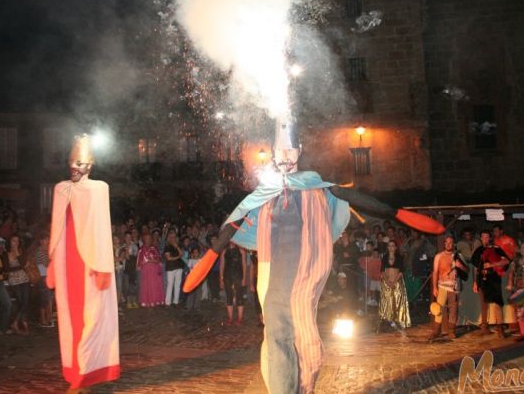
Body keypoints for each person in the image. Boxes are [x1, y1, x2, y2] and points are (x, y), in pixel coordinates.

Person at [183, 119, 444, 394]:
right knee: (276, 333)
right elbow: (233, 224)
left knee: (304, 342)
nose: (285, 157)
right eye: (279, 150)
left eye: (290, 150)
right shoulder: (264, 193)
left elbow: (354, 196)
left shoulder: (315, 185)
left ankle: (300, 386)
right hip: (272, 273)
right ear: (272, 153)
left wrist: (396, 213)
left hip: (306, 272)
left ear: (299, 150)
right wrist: (213, 253)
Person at [47, 135, 120, 389]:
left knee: (94, 318)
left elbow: (100, 229)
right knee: (69, 319)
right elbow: (56, 228)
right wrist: (53, 263)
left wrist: (102, 267)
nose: (74, 167)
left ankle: (87, 372)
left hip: (91, 263)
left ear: (90, 165)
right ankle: (76, 371)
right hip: (67, 264)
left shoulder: (99, 189)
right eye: (71, 162)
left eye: (80, 162)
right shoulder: (60, 189)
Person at [471, 230, 510, 338]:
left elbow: (506, 261)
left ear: (490, 238)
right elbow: (475, 268)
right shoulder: (478, 251)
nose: (485, 239)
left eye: (487, 237)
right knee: (483, 304)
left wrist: (492, 264)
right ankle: (484, 327)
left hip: (494, 279)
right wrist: (475, 282)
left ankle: (500, 328)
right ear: (480, 238)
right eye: (483, 237)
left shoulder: (496, 249)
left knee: (497, 303)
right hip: (481, 280)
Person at [429, 235, 467, 341]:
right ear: (444, 243)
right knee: (438, 308)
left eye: (451, 242)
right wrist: (435, 288)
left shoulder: (458, 256)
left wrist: (460, 266)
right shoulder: (439, 256)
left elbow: (466, 271)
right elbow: (435, 272)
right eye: (447, 242)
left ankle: (451, 331)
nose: (449, 244)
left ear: (453, 244)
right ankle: (436, 331)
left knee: (453, 310)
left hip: (454, 286)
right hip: (442, 286)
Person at [379, 240, 411, 332]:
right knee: (387, 301)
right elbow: (382, 271)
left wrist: (394, 282)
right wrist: (388, 282)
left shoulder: (399, 257)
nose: (391, 247)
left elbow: (401, 271)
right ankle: (388, 321)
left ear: (395, 247)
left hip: (397, 282)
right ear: (387, 247)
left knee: (398, 302)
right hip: (386, 283)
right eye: (389, 245)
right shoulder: (384, 257)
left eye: (393, 245)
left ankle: (398, 321)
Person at [5, 235, 30, 335]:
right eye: (14, 240)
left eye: (17, 241)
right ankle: (23, 325)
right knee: (21, 302)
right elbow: (6, 269)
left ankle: (17, 323)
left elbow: (23, 263)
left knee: (25, 302)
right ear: (9, 242)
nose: (16, 243)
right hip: (14, 280)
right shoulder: (5, 254)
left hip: (24, 278)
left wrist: (17, 253)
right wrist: (20, 267)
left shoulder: (21, 251)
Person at [220, 241, 246, 325]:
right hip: (227, 276)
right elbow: (222, 265)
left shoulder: (241, 250)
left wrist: (244, 278)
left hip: (238, 276)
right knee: (229, 297)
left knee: (239, 296)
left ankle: (240, 319)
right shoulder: (224, 251)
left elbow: (244, 265)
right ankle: (230, 318)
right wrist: (221, 279)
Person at [137, 232, 164, 307]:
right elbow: (139, 260)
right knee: (146, 285)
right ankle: (146, 301)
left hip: (154, 269)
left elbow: (159, 259)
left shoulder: (154, 248)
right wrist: (140, 265)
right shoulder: (141, 249)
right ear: (143, 239)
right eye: (146, 238)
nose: (148, 240)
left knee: (154, 285)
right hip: (146, 270)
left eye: (149, 238)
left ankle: (155, 300)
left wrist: (153, 261)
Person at [35, 234, 54, 328]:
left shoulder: (45, 251)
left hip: (47, 276)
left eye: (48, 239)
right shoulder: (40, 252)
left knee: (48, 298)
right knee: (44, 299)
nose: (48, 241)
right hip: (42, 277)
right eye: (46, 240)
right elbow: (47, 264)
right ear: (41, 241)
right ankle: (43, 319)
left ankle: (48, 317)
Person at [163, 230, 183, 307]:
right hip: (171, 267)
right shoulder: (167, 246)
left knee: (177, 285)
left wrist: (177, 247)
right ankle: (167, 303)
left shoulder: (178, 245)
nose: (172, 238)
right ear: (168, 238)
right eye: (171, 237)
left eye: (174, 237)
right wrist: (178, 257)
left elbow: (182, 253)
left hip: (179, 267)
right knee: (170, 284)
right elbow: (168, 258)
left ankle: (176, 302)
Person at [184, 247, 202, 312]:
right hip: (192, 279)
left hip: (198, 279)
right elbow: (187, 270)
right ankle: (188, 306)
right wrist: (186, 276)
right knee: (191, 293)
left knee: (198, 293)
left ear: (199, 253)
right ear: (192, 253)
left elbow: (202, 270)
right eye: (194, 252)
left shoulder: (200, 260)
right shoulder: (190, 260)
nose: (195, 254)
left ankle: (197, 306)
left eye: (197, 252)